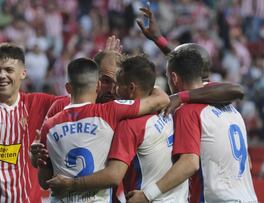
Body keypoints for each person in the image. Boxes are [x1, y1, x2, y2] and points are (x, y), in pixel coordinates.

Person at [45, 55, 188, 202]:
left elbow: (114, 175)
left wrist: (71, 184)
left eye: (117, 83)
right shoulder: (165, 113)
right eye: (107, 81)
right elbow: (162, 98)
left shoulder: (125, 122)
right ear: (98, 84)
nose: (114, 89)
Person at [126, 45, 258, 203]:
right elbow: (248, 163)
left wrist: (147, 195)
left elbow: (189, 163)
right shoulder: (230, 108)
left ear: (173, 78)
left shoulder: (187, 112)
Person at [0, 43, 63, 203]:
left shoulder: (37, 102)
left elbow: (78, 100)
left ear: (23, 73)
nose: (1, 75)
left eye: (9, 70)